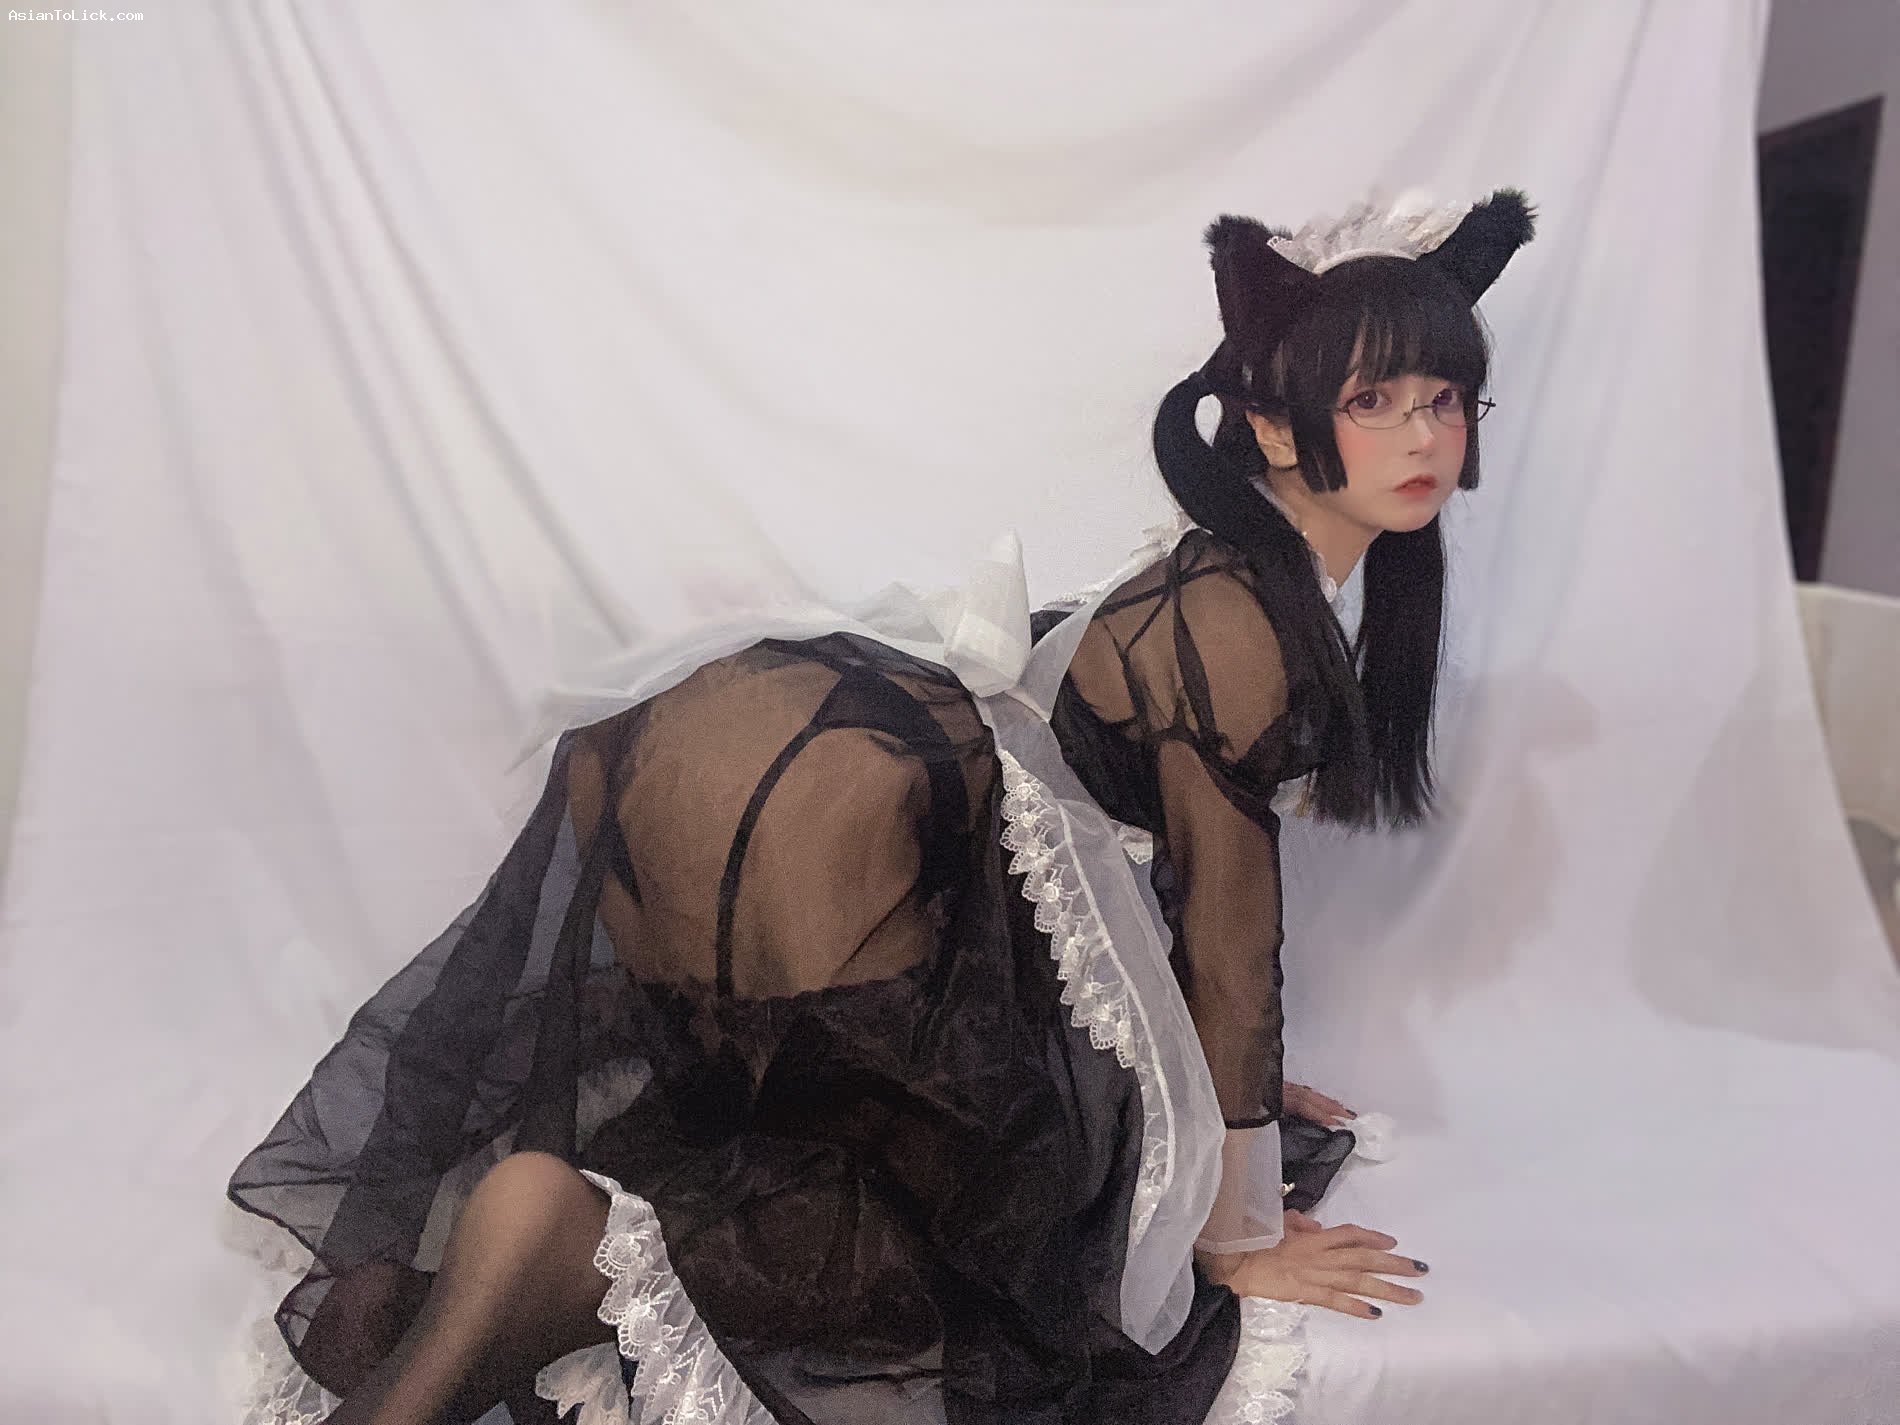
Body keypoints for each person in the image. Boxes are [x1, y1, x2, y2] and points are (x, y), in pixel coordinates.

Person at [230, 189, 1535, 1425]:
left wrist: (1193, 1097)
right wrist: (1235, 1225)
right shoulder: (1243, 625)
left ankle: (554, 1239)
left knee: (851, 1168)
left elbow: (1157, 893)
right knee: (990, 1276)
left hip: (861, 819)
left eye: (1444, 400)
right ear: (1270, 424)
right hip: (880, 849)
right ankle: (569, 1250)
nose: (1423, 436)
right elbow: (1228, 934)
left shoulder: (1231, 576)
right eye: (1374, 402)